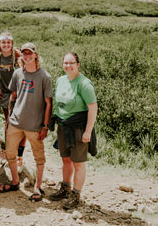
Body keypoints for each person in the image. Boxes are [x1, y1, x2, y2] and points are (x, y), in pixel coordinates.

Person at [0, 43, 52, 203]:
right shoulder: (18, 74)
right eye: (24, 53)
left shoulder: (44, 77)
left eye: (30, 53)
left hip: (34, 126)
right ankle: (15, 182)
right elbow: (13, 96)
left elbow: (48, 103)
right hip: (16, 123)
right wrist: (9, 119)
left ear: (36, 55)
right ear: (21, 56)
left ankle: (38, 187)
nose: (27, 56)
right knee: (11, 154)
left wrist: (45, 126)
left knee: (39, 157)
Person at [48, 52, 98, 210]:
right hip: (63, 127)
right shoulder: (61, 80)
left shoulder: (84, 84)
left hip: (78, 128)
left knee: (78, 163)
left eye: (71, 63)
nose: (68, 66)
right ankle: (65, 188)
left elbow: (93, 108)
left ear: (78, 64)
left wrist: (88, 131)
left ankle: (76, 195)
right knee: (65, 159)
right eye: (65, 63)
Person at [0, 32, 26, 166]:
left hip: (20, 93)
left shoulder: (17, 56)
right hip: (5, 93)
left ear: (12, 44)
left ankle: (20, 154)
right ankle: (9, 150)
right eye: (3, 42)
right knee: (8, 122)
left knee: (21, 123)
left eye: (8, 42)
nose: (6, 45)